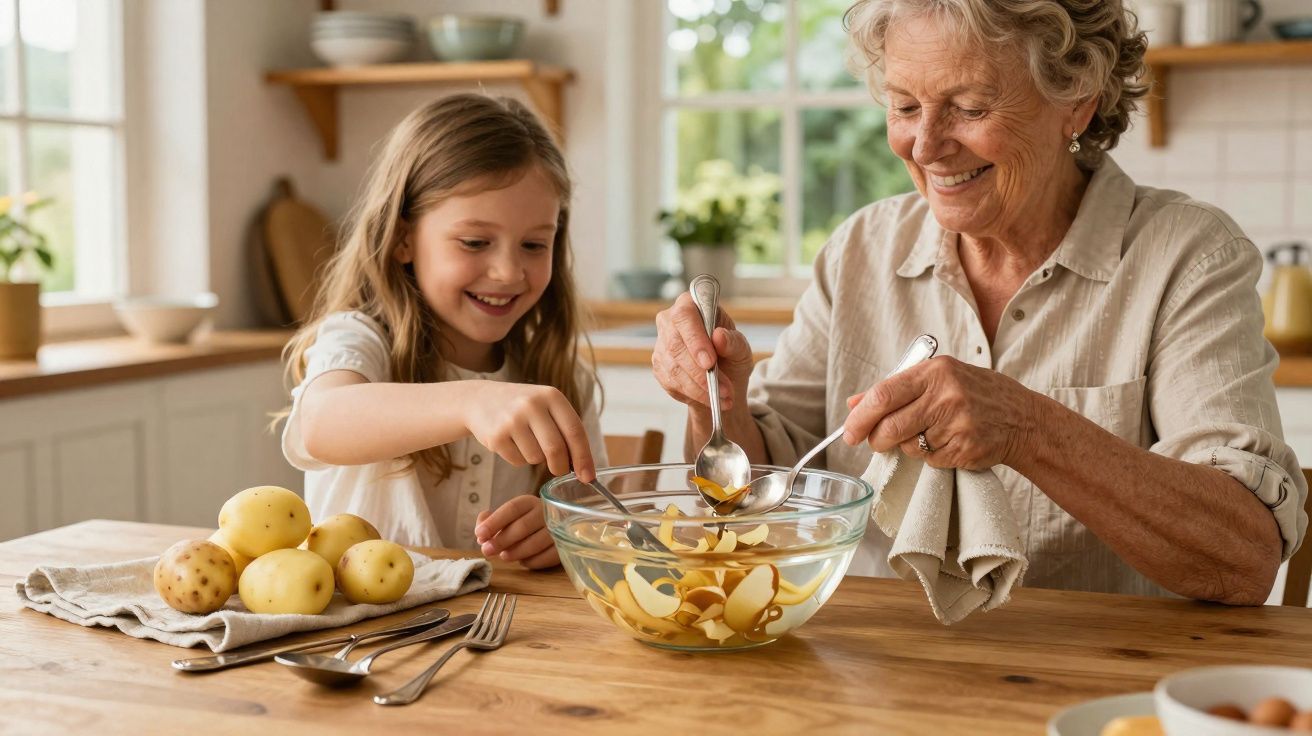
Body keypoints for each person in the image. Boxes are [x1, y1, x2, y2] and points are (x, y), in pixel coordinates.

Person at [651, 0, 1306, 604]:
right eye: (905, 107)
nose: (927, 145)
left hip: (1099, 696)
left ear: (1076, 100)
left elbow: (1241, 560)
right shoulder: (861, 248)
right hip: (876, 678)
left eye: (967, 106)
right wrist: (717, 404)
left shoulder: (1187, 255)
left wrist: (1027, 428)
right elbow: (763, 496)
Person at [280, 94, 604, 570]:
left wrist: (562, 529)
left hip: (503, 636)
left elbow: (593, 521)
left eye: (535, 244)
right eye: (475, 242)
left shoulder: (561, 379)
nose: (508, 271)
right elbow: (323, 423)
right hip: (361, 637)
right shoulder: (358, 339)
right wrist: (471, 401)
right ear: (403, 238)